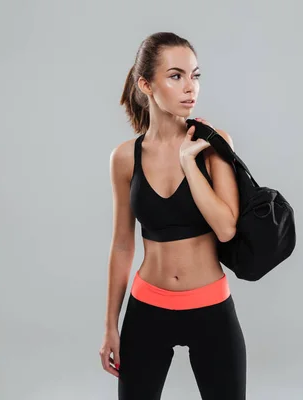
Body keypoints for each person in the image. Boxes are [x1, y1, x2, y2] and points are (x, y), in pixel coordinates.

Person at [99, 32, 247, 400]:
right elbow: (121, 246)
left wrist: (188, 162)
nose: (190, 87)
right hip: (147, 309)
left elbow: (226, 228)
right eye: (176, 75)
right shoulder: (124, 157)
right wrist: (110, 326)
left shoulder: (213, 144)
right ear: (145, 84)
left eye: (195, 76)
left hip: (210, 309)